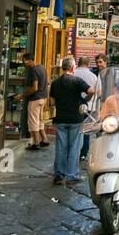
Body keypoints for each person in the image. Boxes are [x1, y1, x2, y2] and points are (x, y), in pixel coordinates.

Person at [48, 56, 90, 186]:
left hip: (60, 118)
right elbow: (91, 90)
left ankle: (59, 175)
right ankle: (72, 175)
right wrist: (86, 100)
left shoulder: (55, 82)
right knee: (74, 147)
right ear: (72, 68)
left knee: (61, 147)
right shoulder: (77, 81)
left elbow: (52, 102)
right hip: (75, 119)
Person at [74, 56, 101, 163]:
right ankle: (83, 153)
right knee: (86, 129)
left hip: (74, 106)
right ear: (88, 64)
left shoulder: (73, 74)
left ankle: (74, 151)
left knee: (75, 129)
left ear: (78, 63)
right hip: (88, 106)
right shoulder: (93, 76)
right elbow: (98, 92)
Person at [20, 51, 49, 150]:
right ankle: (44, 139)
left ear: (28, 60)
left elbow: (35, 87)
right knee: (39, 120)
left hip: (35, 99)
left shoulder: (33, 70)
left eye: (24, 61)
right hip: (43, 97)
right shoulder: (42, 67)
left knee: (33, 121)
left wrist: (22, 95)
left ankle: (36, 143)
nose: (24, 63)